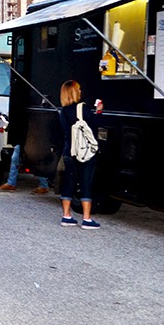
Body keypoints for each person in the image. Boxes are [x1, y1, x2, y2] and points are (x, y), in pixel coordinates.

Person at [58, 80, 102, 229]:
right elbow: (95, 124)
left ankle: (66, 216)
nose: (81, 91)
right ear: (75, 92)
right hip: (84, 151)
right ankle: (86, 219)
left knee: (69, 182)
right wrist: (99, 111)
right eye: (79, 89)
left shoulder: (63, 111)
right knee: (86, 183)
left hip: (69, 151)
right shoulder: (82, 108)